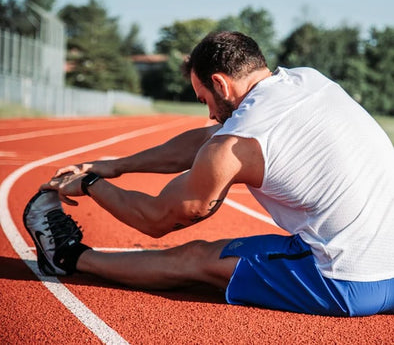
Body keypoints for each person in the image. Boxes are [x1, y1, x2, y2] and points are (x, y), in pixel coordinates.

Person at [24, 31, 394, 317]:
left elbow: (158, 218)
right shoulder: (307, 81)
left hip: (344, 281)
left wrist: (91, 183)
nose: (211, 115)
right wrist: (115, 165)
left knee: (195, 257)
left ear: (220, 83)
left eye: (205, 100)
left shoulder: (239, 140)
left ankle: (68, 258)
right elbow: (206, 139)